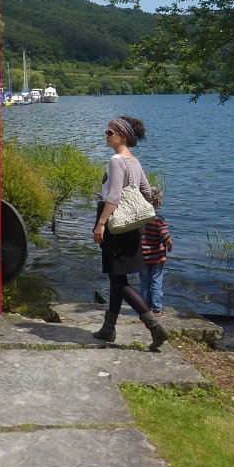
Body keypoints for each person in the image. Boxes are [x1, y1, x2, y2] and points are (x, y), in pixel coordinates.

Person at [91, 116, 170, 351]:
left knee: (120, 281)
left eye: (109, 132)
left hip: (115, 228)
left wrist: (101, 223)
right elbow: (147, 192)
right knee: (118, 279)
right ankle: (108, 328)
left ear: (122, 137)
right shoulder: (134, 162)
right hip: (132, 227)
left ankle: (155, 326)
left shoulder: (116, 160)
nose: (106, 135)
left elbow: (114, 197)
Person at [139, 186, 173, 316]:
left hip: (142, 257)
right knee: (156, 283)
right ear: (158, 202)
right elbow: (165, 237)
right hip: (157, 258)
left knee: (144, 283)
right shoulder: (159, 220)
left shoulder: (140, 219)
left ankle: (144, 308)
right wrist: (170, 245)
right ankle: (157, 309)